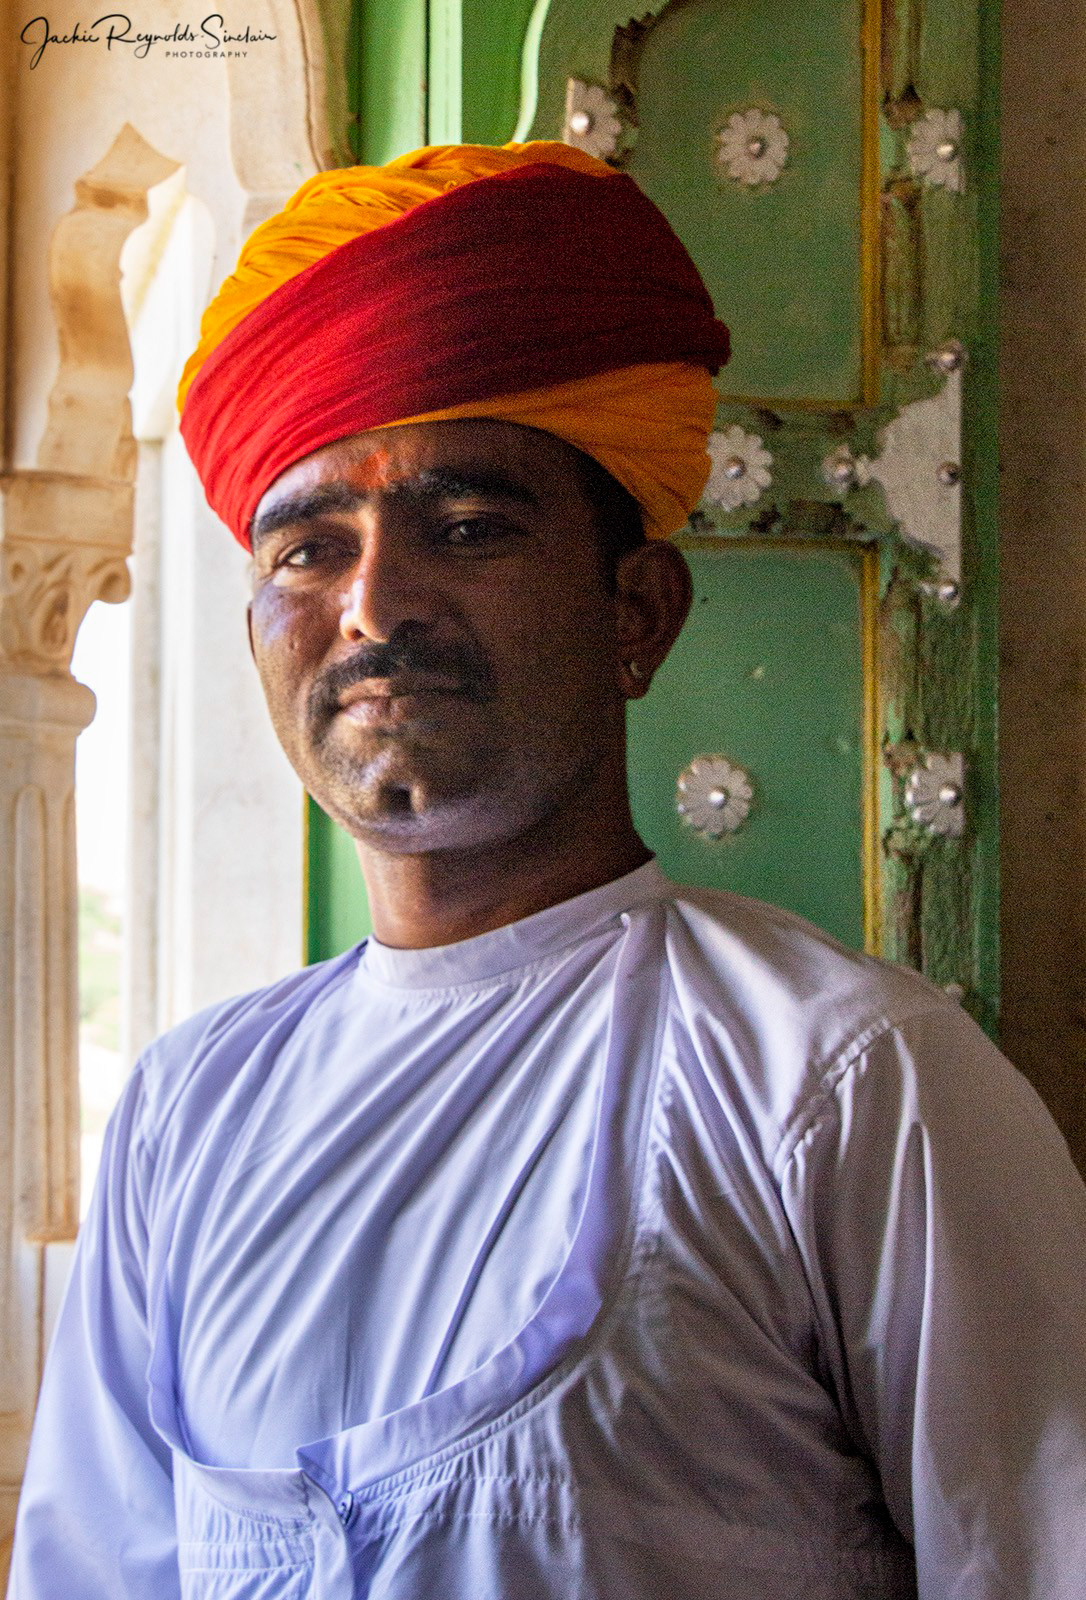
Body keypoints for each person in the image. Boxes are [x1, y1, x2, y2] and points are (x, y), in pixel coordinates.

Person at [8, 143, 1086, 1600]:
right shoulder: (187, 1116)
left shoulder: (837, 1083)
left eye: (465, 529)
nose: (373, 603)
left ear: (636, 610)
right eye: (309, 551)